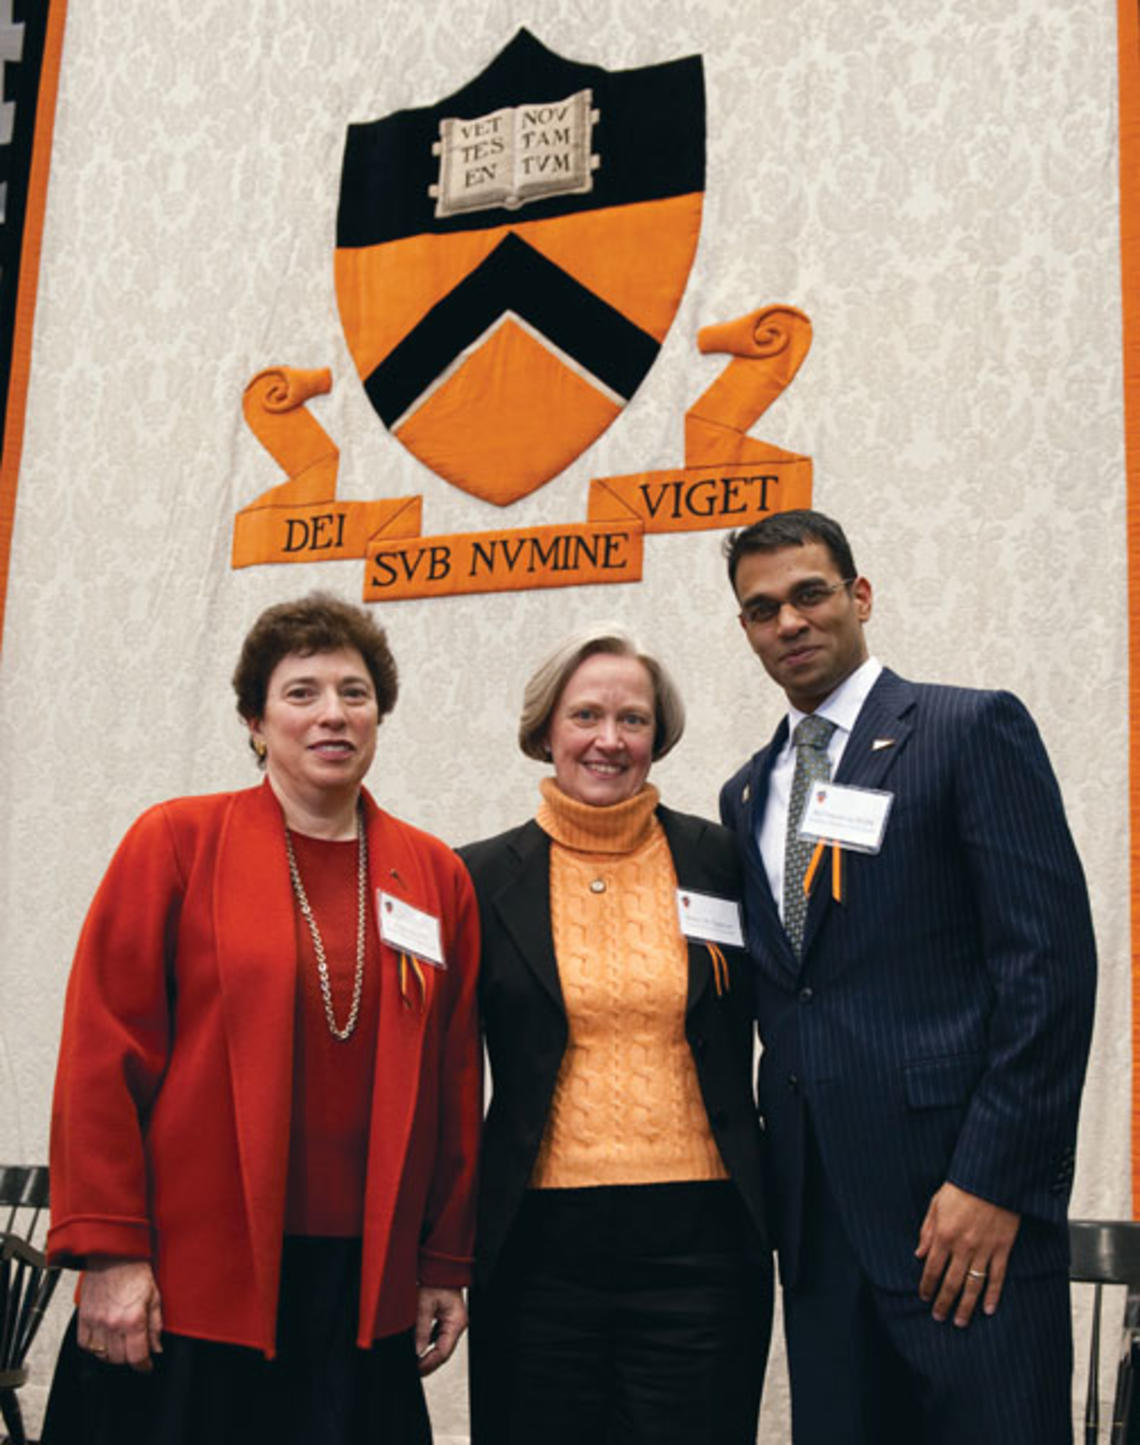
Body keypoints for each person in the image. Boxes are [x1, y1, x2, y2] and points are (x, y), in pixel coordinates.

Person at [42, 593, 481, 1445]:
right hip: (189, 1279)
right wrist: (108, 1251)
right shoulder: (175, 842)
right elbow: (101, 1053)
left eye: (355, 693)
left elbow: (454, 1081)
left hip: (362, 1287)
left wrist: (444, 1264)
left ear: (379, 716)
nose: (333, 714)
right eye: (302, 692)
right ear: (256, 719)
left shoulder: (432, 874)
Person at [718, 509, 1097, 1444]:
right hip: (818, 1229)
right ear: (746, 630)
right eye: (763, 609)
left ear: (860, 595)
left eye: (810, 594)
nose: (790, 622)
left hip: (960, 1218)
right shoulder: (747, 790)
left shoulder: (966, 730)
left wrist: (995, 1182)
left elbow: (1048, 970)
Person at [459, 624, 771, 1445]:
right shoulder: (477, 877)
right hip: (535, 1248)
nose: (609, 739)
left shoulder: (723, 861)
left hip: (701, 1244)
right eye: (586, 715)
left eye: (632, 719)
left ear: (656, 737)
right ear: (545, 731)